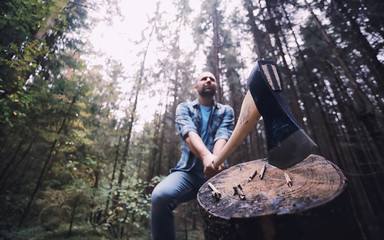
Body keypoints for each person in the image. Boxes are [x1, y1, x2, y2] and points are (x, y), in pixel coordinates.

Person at [150, 71, 235, 240]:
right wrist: (206, 157)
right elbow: (188, 133)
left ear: (216, 86)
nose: (209, 80)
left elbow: (223, 135)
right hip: (187, 173)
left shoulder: (226, 111)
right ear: (196, 87)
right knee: (160, 196)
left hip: (218, 174)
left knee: (234, 211)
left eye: (212, 79)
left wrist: (215, 161)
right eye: (204, 79)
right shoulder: (184, 108)